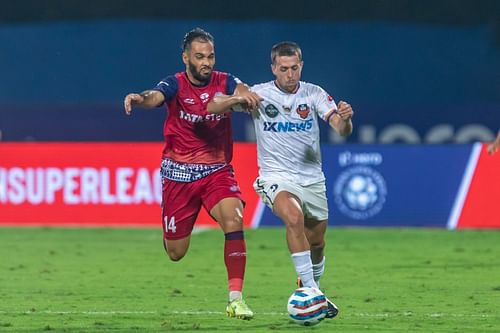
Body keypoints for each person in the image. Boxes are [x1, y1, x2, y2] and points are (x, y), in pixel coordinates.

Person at [208, 41, 354, 319]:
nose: (290, 75)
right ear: (274, 68)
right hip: (276, 177)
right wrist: (236, 99)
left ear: (301, 66)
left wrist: (345, 120)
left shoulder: (314, 93)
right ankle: (312, 293)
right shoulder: (259, 94)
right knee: (293, 217)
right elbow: (212, 107)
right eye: (284, 69)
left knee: (318, 241)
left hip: (312, 179)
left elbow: (340, 128)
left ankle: (312, 286)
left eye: (294, 68)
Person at [123, 28, 260, 320]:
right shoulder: (175, 84)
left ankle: (236, 299)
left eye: (210, 56)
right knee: (176, 252)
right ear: (186, 57)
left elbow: (242, 90)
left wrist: (245, 95)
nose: (206, 62)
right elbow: (155, 96)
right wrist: (139, 98)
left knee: (234, 218)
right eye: (199, 57)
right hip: (178, 177)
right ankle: (171, 227)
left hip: (217, 172)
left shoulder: (226, 80)